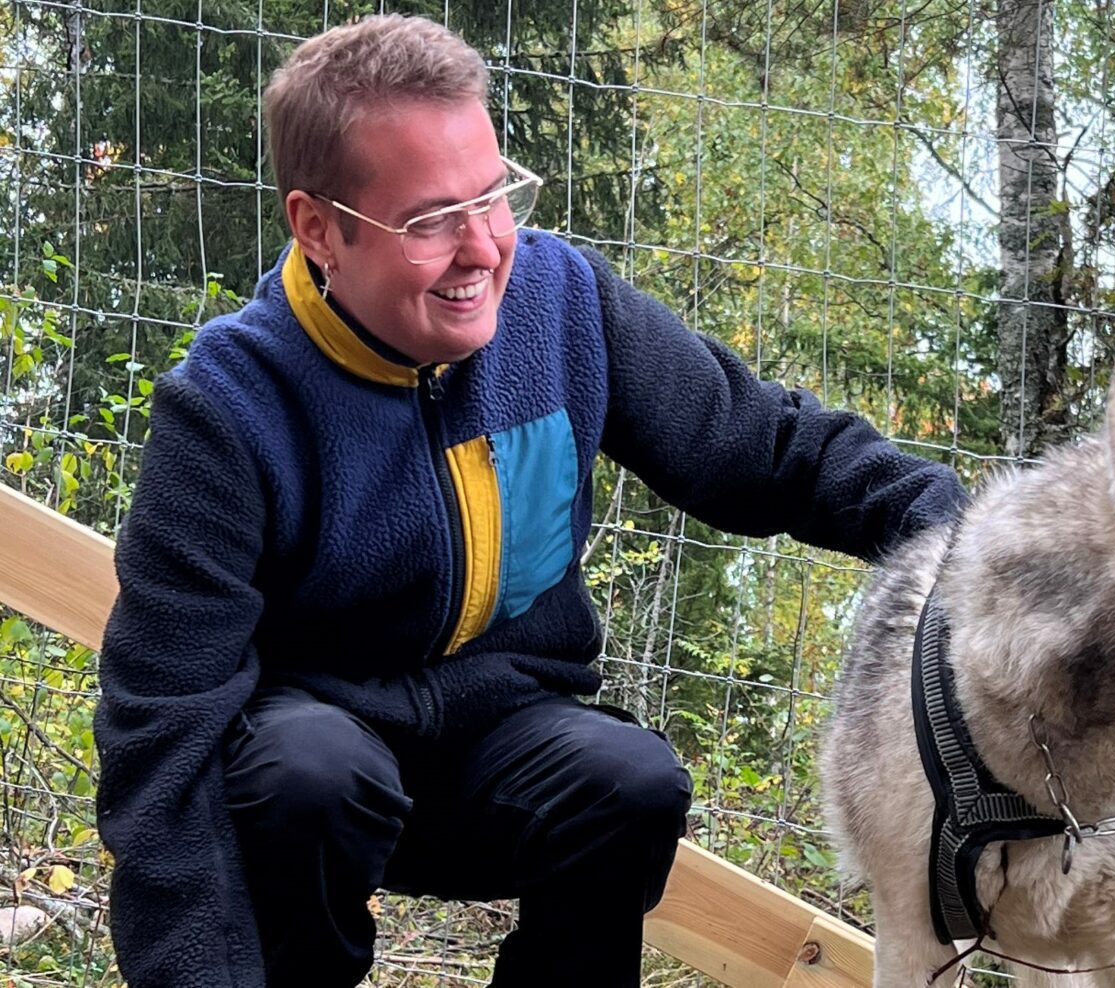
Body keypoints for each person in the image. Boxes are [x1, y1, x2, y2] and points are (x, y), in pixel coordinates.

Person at [94, 13, 966, 988]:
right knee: (311, 773)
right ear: (319, 229)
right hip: (310, 774)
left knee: (630, 782)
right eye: (429, 220)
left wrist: (975, 542)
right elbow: (160, 736)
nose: (483, 249)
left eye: (495, 196)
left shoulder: (562, 304)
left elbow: (763, 448)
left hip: (500, 750)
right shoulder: (229, 406)